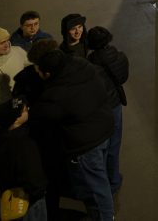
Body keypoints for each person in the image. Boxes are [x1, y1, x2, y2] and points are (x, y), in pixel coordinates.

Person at [30, 49, 115, 221]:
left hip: (86, 144)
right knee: (100, 177)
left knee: (96, 187)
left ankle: (104, 217)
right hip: (104, 128)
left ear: (48, 73)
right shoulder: (82, 66)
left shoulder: (57, 94)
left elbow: (43, 114)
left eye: (39, 71)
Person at [0, 97, 49, 221]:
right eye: (24, 110)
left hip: (5, 203)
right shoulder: (24, 144)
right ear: (16, 119)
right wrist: (39, 192)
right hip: (28, 205)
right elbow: (34, 179)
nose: (28, 109)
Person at [87, 27, 129, 196]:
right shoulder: (119, 57)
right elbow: (123, 78)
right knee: (115, 143)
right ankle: (114, 178)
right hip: (116, 104)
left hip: (100, 109)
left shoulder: (91, 65)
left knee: (101, 147)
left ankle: (104, 182)